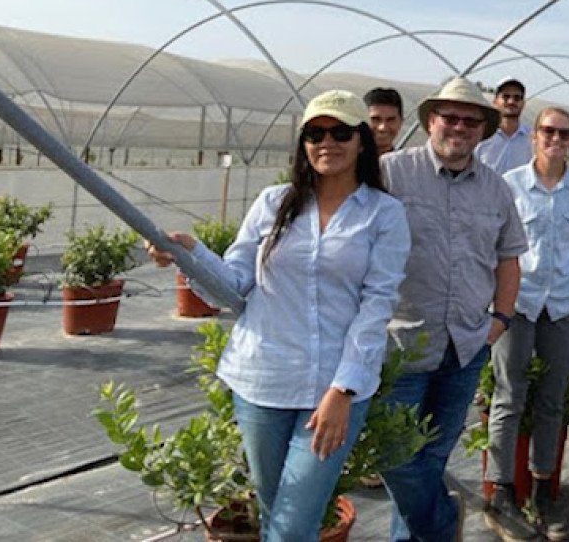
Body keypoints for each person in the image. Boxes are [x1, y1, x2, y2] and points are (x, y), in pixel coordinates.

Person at [148, 90, 410, 541]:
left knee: (292, 525)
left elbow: (376, 307)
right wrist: (190, 254)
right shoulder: (274, 203)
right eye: (315, 134)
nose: (327, 143)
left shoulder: (384, 214)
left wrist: (343, 390)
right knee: (275, 513)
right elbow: (234, 283)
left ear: (361, 141)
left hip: (331, 389)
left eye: (340, 133)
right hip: (262, 380)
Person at [378, 76, 529, 542]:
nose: (459, 127)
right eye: (450, 117)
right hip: (400, 345)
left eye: (470, 121)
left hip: (465, 346)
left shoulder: (496, 189)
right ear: (430, 122)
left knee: (433, 455)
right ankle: (443, 522)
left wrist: (499, 321)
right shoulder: (391, 173)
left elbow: (509, 259)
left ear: (482, 130)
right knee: (395, 456)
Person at [486, 107, 569, 541]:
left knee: (553, 397)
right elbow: (498, 245)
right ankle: (502, 491)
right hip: (518, 300)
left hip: (564, 302)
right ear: (535, 136)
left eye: (564, 133)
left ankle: (541, 490)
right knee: (508, 394)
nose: (556, 139)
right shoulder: (510, 184)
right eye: (548, 131)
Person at [475, 77, 533, 175]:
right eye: (506, 97)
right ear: (495, 101)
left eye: (517, 98)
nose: (511, 102)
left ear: (523, 104)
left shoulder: (532, 138)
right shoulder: (481, 135)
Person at [364, 87, 405, 155]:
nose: (383, 128)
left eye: (390, 120)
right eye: (376, 119)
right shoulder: (347, 160)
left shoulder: (405, 161)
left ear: (401, 122)